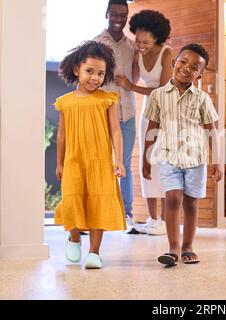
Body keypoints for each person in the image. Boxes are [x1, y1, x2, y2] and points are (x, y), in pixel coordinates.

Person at [141, 44, 222, 266]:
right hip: (168, 157)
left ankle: (188, 247)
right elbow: (152, 128)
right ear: (173, 62)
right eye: (183, 61)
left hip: (195, 159)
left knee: (191, 204)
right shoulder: (158, 95)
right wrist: (145, 159)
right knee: (173, 198)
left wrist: (217, 162)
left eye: (194, 67)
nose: (187, 68)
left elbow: (211, 130)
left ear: (200, 74)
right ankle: (173, 248)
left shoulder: (202, 98)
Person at [54, 41, 126, 269]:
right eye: (90, 72)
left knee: (99, 204)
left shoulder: (108, 99)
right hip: (74, 161)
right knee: (72, 200)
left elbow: (115, 130)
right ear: (77, 69)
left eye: (100, 73)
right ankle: (74, 238)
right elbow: (62, 135)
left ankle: (94, 252)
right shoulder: (65, 102)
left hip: (101, 162)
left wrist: (119, 160)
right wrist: (59, 163)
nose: (95, 78)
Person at [115, 10, 174, 236]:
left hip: (166, 110)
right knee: (146, 163)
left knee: (163, 165)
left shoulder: (166, 53)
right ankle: (153, 218)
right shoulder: (139, 54)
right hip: (148, 111)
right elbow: (132, 77)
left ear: (157, 38)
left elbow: (164, 89)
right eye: (137, 41)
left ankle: (166, 222)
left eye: (145, 42)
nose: (140, 45)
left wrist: (132, 88)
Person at [94, 0, 138, 231]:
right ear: (107, 14)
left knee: (125, 164)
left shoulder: (132, 46)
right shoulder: (96, 43)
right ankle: (98, 215)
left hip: (128, 112)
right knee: (100, 163)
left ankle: (127, 214)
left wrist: (130, 84)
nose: (118, 19)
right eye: (114, 14)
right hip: (102, 111)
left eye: (123, 15)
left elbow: (137, 75)